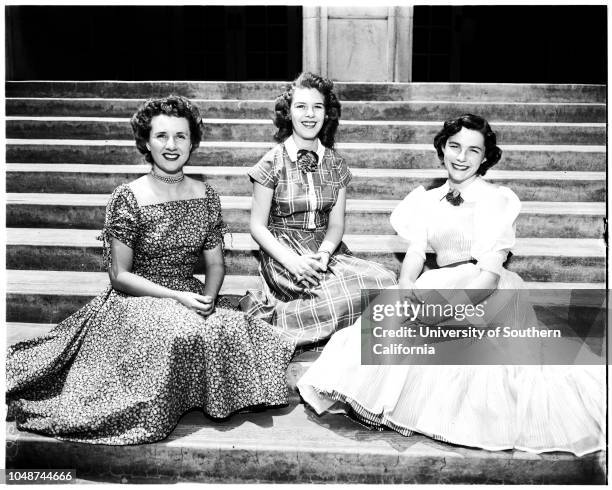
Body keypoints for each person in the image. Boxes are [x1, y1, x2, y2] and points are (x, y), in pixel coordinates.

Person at [297, 114, 605, 456]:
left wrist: (448, 310)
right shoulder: (427, 199)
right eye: (454, 146)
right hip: (438, 279)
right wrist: (405, 288)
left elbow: (489, 275)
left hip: (484, 289)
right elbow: (415, 254)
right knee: (378, 329)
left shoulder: (496, 200)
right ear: (442, 149)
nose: (462, 157)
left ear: (485, 157)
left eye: (473, 150)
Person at [7, 95, 295, 445]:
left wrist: (207, 298)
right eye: (161, 136)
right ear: (146, 141)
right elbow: (120, 276)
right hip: (135, 296)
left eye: (180, 136)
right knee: (175, 333)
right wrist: (177, 297)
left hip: (187, 291)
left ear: (192, 143)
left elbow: (216, 263)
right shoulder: (128, 196)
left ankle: (198, 394)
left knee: (232, 328)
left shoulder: (207, 195)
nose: (171, 145)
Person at [239, 72, 397, 348]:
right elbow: (257, 227)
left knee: (385, 281)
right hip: (283, 254)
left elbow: (336, 226)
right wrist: (293, 261)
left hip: (325, 249)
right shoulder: (271, 162)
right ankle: (275, 319)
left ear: (327, 114)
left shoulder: (336, 164)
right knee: (344, 298)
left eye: (317, 107)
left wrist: (324, 253)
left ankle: (295, 320)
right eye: (301, 106)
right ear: (288, 113)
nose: (309, 114)